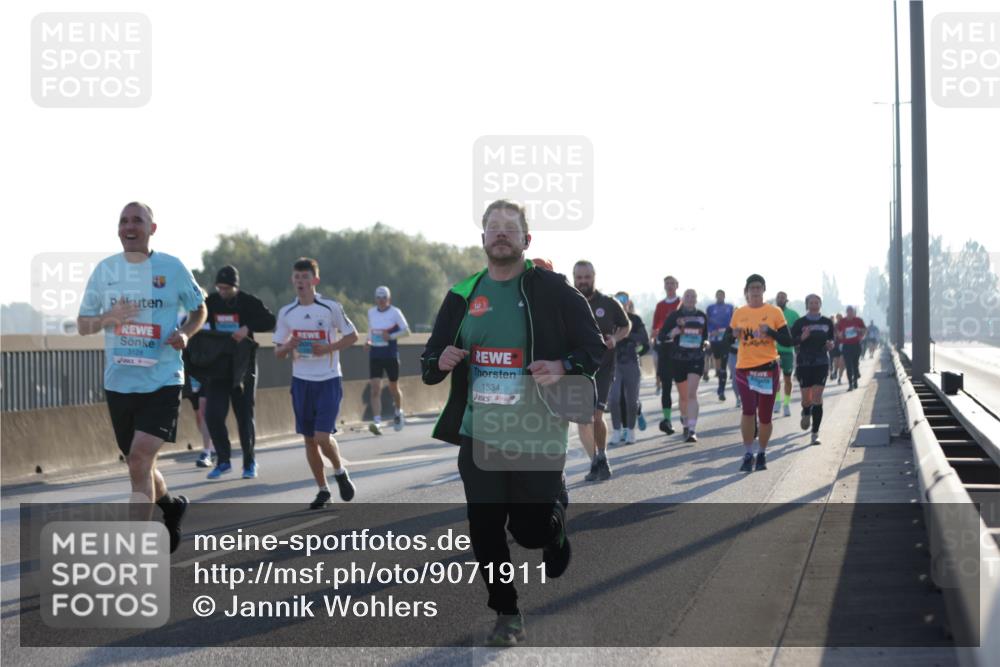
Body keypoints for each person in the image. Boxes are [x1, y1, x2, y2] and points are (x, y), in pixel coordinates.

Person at [420, 200, 604, 646]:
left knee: (529, 530)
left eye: (511, 228)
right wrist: (440, 360)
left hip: (539, 434)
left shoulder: (553, 290)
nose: (501, 234)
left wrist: (563, 364)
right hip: (479, 433)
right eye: (493, 228)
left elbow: (594, 349)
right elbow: (430, 361)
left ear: (527, 240)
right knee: (484, 529)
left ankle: (554, 530)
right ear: (483, 239)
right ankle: (506, 612)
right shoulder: (463, 294)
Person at [77, 201, 206, 552]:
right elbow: (83, 325)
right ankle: (171, 506)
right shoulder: (105, 271)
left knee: (139, 459)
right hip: (119, 383)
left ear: (152, 228)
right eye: (124, 221)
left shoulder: (172, 268)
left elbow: (199, 308)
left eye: (138, 220)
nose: (129, 226)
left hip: (163, 378)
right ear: (118, 230)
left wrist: (186, 334)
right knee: (140, 465)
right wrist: (110, 316)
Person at [273, 257, 358, 509]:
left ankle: (339, 470)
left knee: (322, 436)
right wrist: (288, 345)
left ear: (315, 280)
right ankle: (323, 490)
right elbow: (277, 352)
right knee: (309, 440)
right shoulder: (287, 313)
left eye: (305, 277)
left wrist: (328, 347)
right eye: (297, 277)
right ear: (293, 280)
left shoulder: (330, 308)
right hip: (301, 382)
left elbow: (352, 336)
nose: (300, 282)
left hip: (328, 379)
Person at [203, 265, 276, 479]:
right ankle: (223, 460)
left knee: (244, 416)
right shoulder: (212, 302)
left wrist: (247, 327)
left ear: (235, 286)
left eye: (226, 288)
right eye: (220, 287)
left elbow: (270, 321)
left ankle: (249, 462)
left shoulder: (248, 302)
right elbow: (197, 318)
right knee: (213, 415)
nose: (223, 291)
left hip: (243, 365)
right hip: (219, 365)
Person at [573, 261, 631, 481]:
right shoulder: (568, 302)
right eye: (579, 277)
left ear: (594, 277)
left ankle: (603, 455)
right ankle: (595, 462)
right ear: (574, 278)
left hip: (603, 367)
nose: (583, 281)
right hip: (577, 368)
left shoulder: (608, 303)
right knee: (582, 419)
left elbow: (626, 326)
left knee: (596, 416)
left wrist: (615, 339)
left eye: (587, 277)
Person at [729, 274, 793, 472]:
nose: (755, 291)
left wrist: (771, 333)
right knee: (748, 412)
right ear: (746, 292)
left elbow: (787, 341)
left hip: (767, 369)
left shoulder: (774, 312)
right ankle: (748, 453)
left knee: (765, 417)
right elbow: (727, 338)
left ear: (764, 290)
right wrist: (732, 334)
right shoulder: (739, 312)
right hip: (744, 369)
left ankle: (762, 452)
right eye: (752, 288)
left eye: (759, 287)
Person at [659, 289, 709, 442]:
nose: (690, 298)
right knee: (683, 396)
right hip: (678, 359)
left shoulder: (701, 316)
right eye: (687, 296)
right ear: (683, 299)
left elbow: (705, 336)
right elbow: (662, 336)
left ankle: (692, 430)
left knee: (692, 393)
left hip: (696, 357)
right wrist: (673, 333)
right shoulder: (675, 316)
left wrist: (706, 343)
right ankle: (685, 421)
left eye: (693, 296)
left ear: (696, 299)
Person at [791, 294, 835, 445]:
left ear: (820, 304)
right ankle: (806, 410)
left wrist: (831, 345)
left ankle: (815, 433)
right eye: (811, 302)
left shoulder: (827, 322)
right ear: (807, 305)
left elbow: (832, 339)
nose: (814, 305)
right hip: (804, 363)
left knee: (817, 397)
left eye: (817, 302)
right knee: (806, 399)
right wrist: (801, 338)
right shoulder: (799, 323)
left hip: (821, 362)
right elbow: (792, 341)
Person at [366, 285, 410, 435]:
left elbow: (406, 331)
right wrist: (368, 341)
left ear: (389, 299)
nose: (381, 300)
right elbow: (370, 330)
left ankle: (398, 411)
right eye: (378, 297)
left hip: (390, 354)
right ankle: (377, 422)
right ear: (375, 299)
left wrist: (390, 336)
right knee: (375, 388)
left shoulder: (395, 312)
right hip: (375, 354)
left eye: (384, 297)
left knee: (393, 388)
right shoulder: (371, 312)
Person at [608, 292, 649, 445]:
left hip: (631, 362)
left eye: (623, 300)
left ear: (628, 302)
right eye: (617, 300)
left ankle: (631, 430)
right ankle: (617, 431)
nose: (620, 302)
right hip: (614, 363)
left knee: (631, 401)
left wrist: (626, 335)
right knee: (614, 399)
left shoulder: (635, 320)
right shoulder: (609, 319)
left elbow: (644, 340)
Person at [179, 309, 215, 467]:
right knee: (198, 415)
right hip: (190, 372)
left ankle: (206, 452)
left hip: (208, 371)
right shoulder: (182, 319)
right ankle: (212, 445)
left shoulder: (210, 320)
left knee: (203, 409)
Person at [651, 276, 682, 433]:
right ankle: (668, 420)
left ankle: (685, 418)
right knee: (666, 388)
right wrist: (657, 334)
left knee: (683, 387)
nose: (669, 286)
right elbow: (654, 328)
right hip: (664, 349)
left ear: (677, 286)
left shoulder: (682, 303)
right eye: (667, 284)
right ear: (664, 286)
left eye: (672, 284)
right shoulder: (660, 305)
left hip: (681, 350)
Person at [774, 291, 800, 417]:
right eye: (778, 297)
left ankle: (786, 403)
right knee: (775, 379)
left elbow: (799, 331)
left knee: (787, 379)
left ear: (786, 300)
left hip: (788, 351)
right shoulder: (771, 313)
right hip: (773, 351)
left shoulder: (793, 314)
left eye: (783, 297)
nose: (780, 299)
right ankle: (777, 401)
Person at [706, 290, 734, 401]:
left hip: (726, 339)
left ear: (724, 296)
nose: (720, 297)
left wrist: (730, 333)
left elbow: (734, 321)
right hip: (714, 339)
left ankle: (721, 390)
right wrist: (711, 331)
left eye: (722, 295)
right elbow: (706, 322)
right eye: (718, 295)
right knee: (717, 362)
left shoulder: (730, 307)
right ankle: (719, 375)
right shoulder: (710, 308)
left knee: (723, 365)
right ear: (716, 296)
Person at [837, 306, 867, 391]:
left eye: (851, 312)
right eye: (848, 312)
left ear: (853, 312)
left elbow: (864, 330)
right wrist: (841, 334)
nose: (850, 313)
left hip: (856, 345)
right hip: (846, 345)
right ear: (846, 312)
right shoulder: (842, 321)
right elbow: (838, 333)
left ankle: (855, 380)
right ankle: (850, 384)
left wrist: (859, 330)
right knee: (848, 365)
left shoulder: (858, 320)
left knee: (855, 364)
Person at [829, 314, 845, 384]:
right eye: (838, 318)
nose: (839, 319)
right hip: (836, 345)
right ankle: (835, 372)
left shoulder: (845, 325)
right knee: (836, 361)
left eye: (840, 318)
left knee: (842, 362)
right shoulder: (835, 326)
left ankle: (840, 378)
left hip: (845, 345)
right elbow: (833, 335)